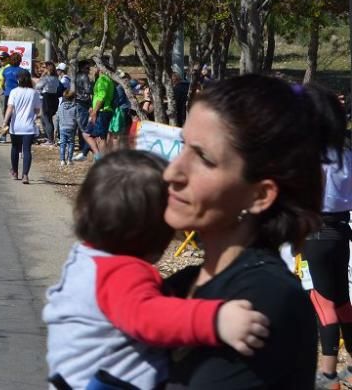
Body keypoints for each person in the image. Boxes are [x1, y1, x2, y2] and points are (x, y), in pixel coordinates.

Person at [162, 75, 345, 388]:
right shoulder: (183, 283)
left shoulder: (262, 302)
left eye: (203, 157)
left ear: (260, 195)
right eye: (182, 146)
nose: (172, 171)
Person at [44, 151, 270, 390]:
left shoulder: (86, 259)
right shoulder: (120, 272)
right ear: (156, 235)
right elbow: (147, 316)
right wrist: (215, 319)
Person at [302, 135, 352, 389]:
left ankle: (329, 374)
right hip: (341, 231)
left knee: (323, 302)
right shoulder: (345, 153)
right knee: (342, 300)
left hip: (317, 232)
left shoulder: (311, 154)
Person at [2, 71, 40, 184]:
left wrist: (5, 122)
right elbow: (38, 110)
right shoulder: (34, 93)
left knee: (15, 148)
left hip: (16, 126)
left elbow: (9, 108)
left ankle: (14, 172)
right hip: (29, 126)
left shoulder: (14, 92)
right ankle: (25, 175)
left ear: (18, 80)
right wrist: (34, 116)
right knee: (27, 150)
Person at [84, 63, 114, 159]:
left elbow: (101, 96)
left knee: (101, 137)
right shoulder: (102, 78)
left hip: (102, 111)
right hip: (100, 110)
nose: (93, 68)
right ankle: (98, 155)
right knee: (87, 134)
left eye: (95, 66)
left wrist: (94, 111)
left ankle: (102, 159)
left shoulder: (104, 79)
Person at [72, 60, 94, 161]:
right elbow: (88, 89)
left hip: (77, 101)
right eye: (87, 68)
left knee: (80, 125)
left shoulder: (76, 75)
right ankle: (85, 148)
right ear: (82, 68)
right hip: (83, 102)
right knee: (84, 126)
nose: (89, 70)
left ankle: (83, 147)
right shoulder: (84, 76)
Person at [36, 61, 61, 145]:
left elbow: (37, 86)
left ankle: (50, 140)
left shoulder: (46, 78)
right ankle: (49, 138)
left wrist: (42, 76)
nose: (42, 69)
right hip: (54, 98)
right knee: (48, 119)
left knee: (46, 119)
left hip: (46, 98)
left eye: (44, 67)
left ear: (47, 69)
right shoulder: (56, 78)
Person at [57, 89, 78, 166]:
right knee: (71, 143)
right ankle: (69, 160)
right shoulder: (75, 106)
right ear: (73, 98)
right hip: (72, 127)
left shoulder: (61, 106)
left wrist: (56, 129)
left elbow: (58, 117)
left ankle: (62, 160)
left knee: (62, 144)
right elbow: (77, 118)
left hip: (62, 127)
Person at [0, 52, 11, 143]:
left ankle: (4, 136)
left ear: (8, 59)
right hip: (1, 93)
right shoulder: (2, 68)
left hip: (5, 93)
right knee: (5, 116)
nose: (1, 61)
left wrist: (1, 91)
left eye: (3, 59)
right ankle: (5, 135)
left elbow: (6, 83)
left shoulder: (8, 69)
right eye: (0, 59)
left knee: (6, 117)